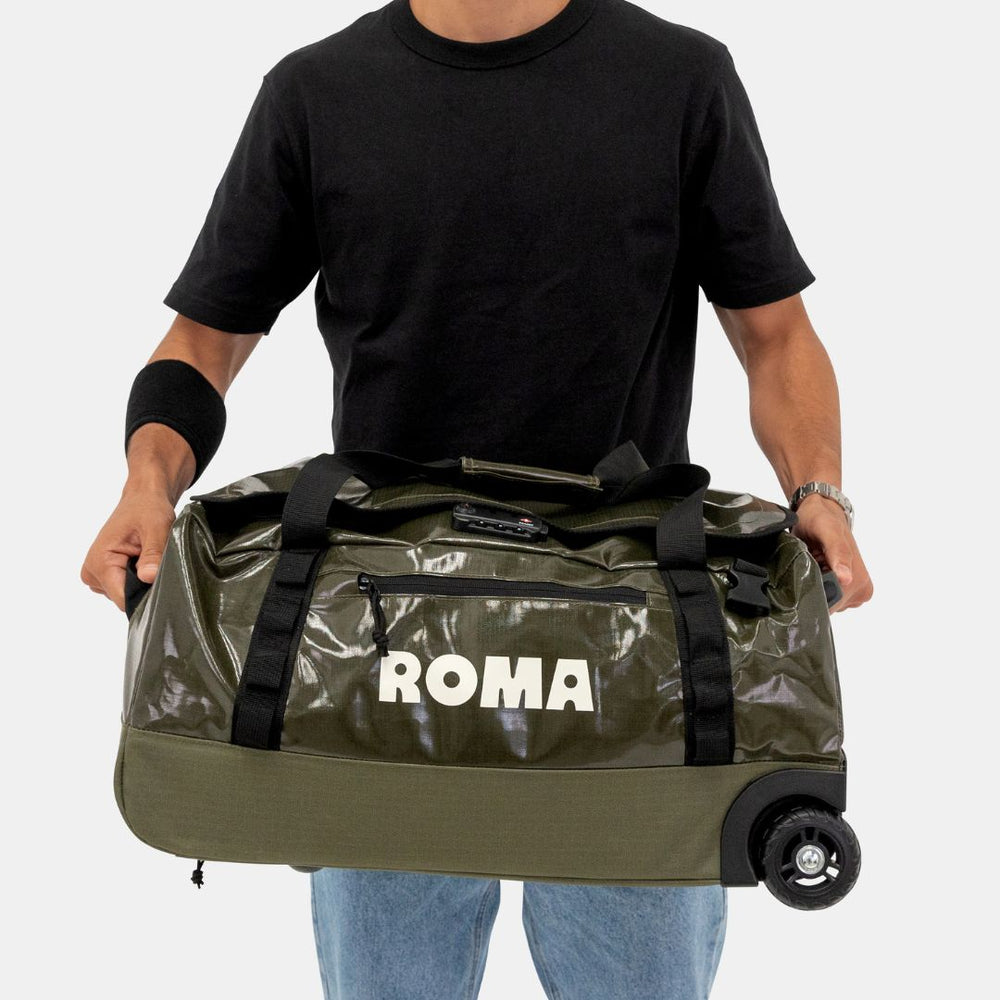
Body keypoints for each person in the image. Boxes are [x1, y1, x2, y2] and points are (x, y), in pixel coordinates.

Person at [81, 1, 873, 997]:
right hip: (380, 653)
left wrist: (819, 491)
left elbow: (774, 332)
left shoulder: (680, 78)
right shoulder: (316, 92)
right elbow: (204, 340)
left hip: (625, 648)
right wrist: (146, 483)